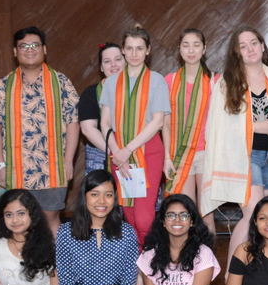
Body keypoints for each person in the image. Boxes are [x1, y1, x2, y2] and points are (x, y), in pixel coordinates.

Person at [0, 26, 80, 234]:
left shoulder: (61, 83)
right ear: (15, 51)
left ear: (44, 49)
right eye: (23, 46)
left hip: (52, 168)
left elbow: (73, 123)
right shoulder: (3, 86)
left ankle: (53, 257)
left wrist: (68, 161)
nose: (30, 50)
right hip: (16, 169)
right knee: (18, 222)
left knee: (50, 218)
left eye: (35, 45)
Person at [202, 26, 268, 264]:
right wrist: (260, 126)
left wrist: (249, 125)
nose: (250, 49)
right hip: (245, 156)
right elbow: (220, 127)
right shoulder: (227, 83)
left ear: (262, 46)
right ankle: (232, 272)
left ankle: (255, 268)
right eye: (243, 46)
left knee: (264, 216)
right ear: (237, 52)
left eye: (254, 43)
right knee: (253, 214)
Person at [100, 24, 170, 247]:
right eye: (129, 48)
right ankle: (138, 261)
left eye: (139, 48)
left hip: (148, 151)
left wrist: (127, 150)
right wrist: (117, 152)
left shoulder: (156, 80)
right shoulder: (111, 82)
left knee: (144, 217)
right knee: (129, 216)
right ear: (123, 49)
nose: (134, 53)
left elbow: (158, 122)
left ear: (148, 50)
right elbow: (105, 122)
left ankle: (152, 257)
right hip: (119, 153)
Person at [164, 28, 217, 236]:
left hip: (206, 153)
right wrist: (167, 157)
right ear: (179, 49)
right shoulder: (170, 81)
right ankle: (189, 256)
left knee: (206, 215)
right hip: (180, 155)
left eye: (196, 45)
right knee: (185, 214)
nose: (191, 50)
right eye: (186, 45)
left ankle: (209, 257)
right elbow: (165, 123)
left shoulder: (214, 81)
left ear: (204, 49)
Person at [79, 42, 125, 173]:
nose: (113, 65)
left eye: (118, 59)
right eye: (107, 61)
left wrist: (128, 151)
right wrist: (115, 153)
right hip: (102, 154)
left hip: (134, 151)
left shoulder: (140, 90)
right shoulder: (91, 93)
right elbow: (88, 129)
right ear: (101, 67)